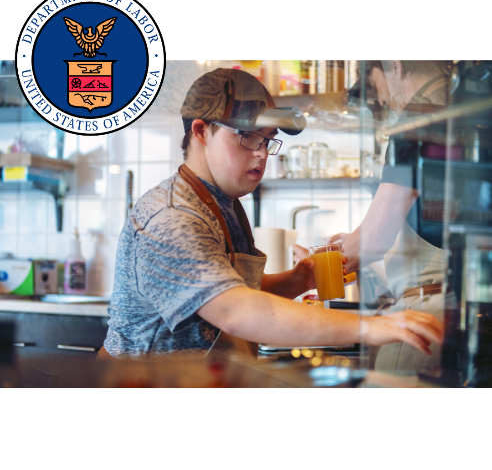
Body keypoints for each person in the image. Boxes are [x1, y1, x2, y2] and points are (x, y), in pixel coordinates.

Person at [100, 67, 443, 360]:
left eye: (268, 140)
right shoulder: (172, 216)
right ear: (202, 131)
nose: (263, 154)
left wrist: (300, 280)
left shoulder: (223, 204)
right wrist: (369, 326)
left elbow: (233, 287)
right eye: (248, 137)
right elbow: (233, 309)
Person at [294, 61, 451, 374]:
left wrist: (318, 262)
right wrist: (352, 242)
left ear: (396, 64)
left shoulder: (418, 119)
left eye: (377, 87)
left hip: (426, 312)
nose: (381, 101)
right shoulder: (462, 111)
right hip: (463, 308)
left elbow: (375, 239)